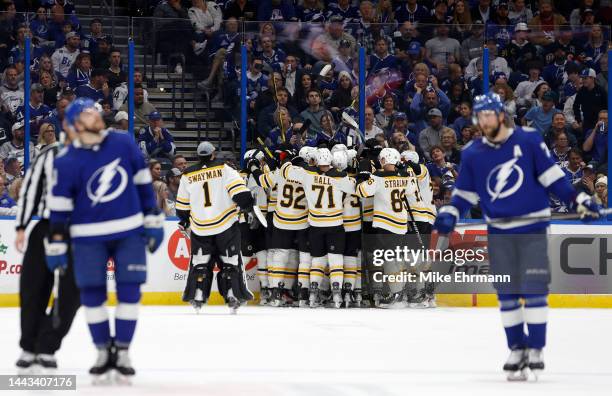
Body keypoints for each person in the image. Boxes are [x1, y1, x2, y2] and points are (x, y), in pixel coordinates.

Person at [433, 92, 601, 381]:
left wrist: (578, 201)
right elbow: (464, 195)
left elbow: (552, 179)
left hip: (533, 229)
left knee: (534, 287)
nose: (485, 122)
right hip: (499, 232)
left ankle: (535, 348)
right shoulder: (473, 153)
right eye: (480, 117)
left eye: (489, 116)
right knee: (507, 294)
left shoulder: (528, 140)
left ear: (501, 115)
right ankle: (516, 347)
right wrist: (450, 211)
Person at [45, 98, 164, 381]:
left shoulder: (122, 143)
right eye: (88, 115)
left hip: (129, 231)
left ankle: (122, 351)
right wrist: (57, 242)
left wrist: (153, 217)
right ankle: (102, 350)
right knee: (92, 295)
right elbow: (59, 207)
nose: (96, 118)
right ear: (75, 124)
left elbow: (142, 183)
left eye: (96, 113)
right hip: (87, 237)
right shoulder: (66, 160)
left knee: (130, 292)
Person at [14, 135, 80, 373]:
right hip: (46, 225)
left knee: (73, 293)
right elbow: (30, 190)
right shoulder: (49, 153)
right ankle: (29, 346)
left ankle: (47, 344)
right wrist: (21, 226)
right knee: (34, 289)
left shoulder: (100, 156)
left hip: (81, 231)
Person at [176, 141, 255, 313]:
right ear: (213, 154)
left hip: (200, 227)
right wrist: (249, 204)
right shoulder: (225, 169)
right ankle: (232, 293)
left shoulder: (187, 175)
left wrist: (186, 221)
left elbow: (181, 208)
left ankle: (197, 295)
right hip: (225, 225)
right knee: (230, 262)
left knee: (200, 263)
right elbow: (241, 194)